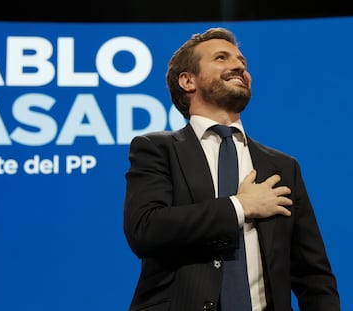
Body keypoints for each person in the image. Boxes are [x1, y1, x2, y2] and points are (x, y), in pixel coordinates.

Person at [123, 27, 340, 311]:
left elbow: (314, 277)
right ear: (188, 81)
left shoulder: (283, 166)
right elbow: (145, 229)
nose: (238, 66)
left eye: (242, 62)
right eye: (221, 58)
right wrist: (239, 207)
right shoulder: (157, 149)